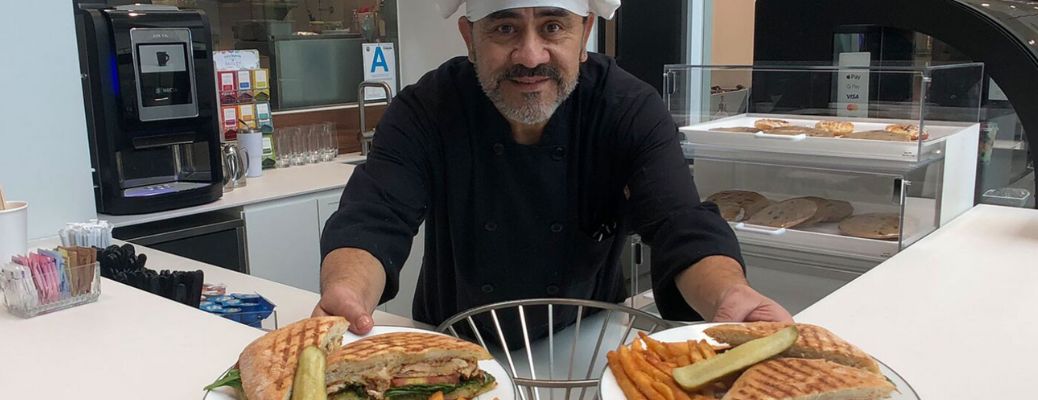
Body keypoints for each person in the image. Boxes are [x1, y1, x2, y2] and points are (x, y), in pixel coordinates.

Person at [314, 0, 792, 335]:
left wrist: (729, 295)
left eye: (552, 26)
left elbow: (678, 224)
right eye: (504, 29)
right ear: (470, 38)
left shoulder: (625, 108)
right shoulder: (427, 109)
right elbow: (374, 217)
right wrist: (348, 294)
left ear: (584, 34)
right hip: (456, 343)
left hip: (587, 343)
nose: (530, 56)